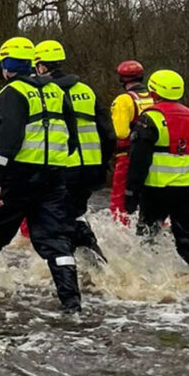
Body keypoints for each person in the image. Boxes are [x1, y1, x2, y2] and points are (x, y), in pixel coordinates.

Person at [0, 37, 82, 313]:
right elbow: (72, 136)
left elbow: (9, 140)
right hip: (54, 176)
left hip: (17, 178)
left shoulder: (10, 93)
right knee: (56, 242)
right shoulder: (57, 91)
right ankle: (72, 305)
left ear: (7, 65)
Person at [124, 70, 189, 284]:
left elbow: (139, 160)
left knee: (148, 236)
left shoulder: (150, 118)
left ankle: (146, 282)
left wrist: (131, 193)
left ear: (154, 91)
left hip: (157, 188)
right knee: (188, 240)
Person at [33, 40, 116, 259]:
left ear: (41, 66)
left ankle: (80, 263)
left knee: (58, 218)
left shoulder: (46, 93)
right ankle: (92, 262)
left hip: (63, 167)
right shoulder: (86, 90)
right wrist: (103, 162)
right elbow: (108, 132)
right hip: (91, 167)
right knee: (75, 212)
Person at [109, 60, 152, 223]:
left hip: (128, 156)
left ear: (121, 79)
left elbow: (121, 132)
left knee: (120, 202)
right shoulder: (153, 97)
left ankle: (121, 237)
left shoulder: (123, 100)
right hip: (152, 156)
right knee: (150, 199)